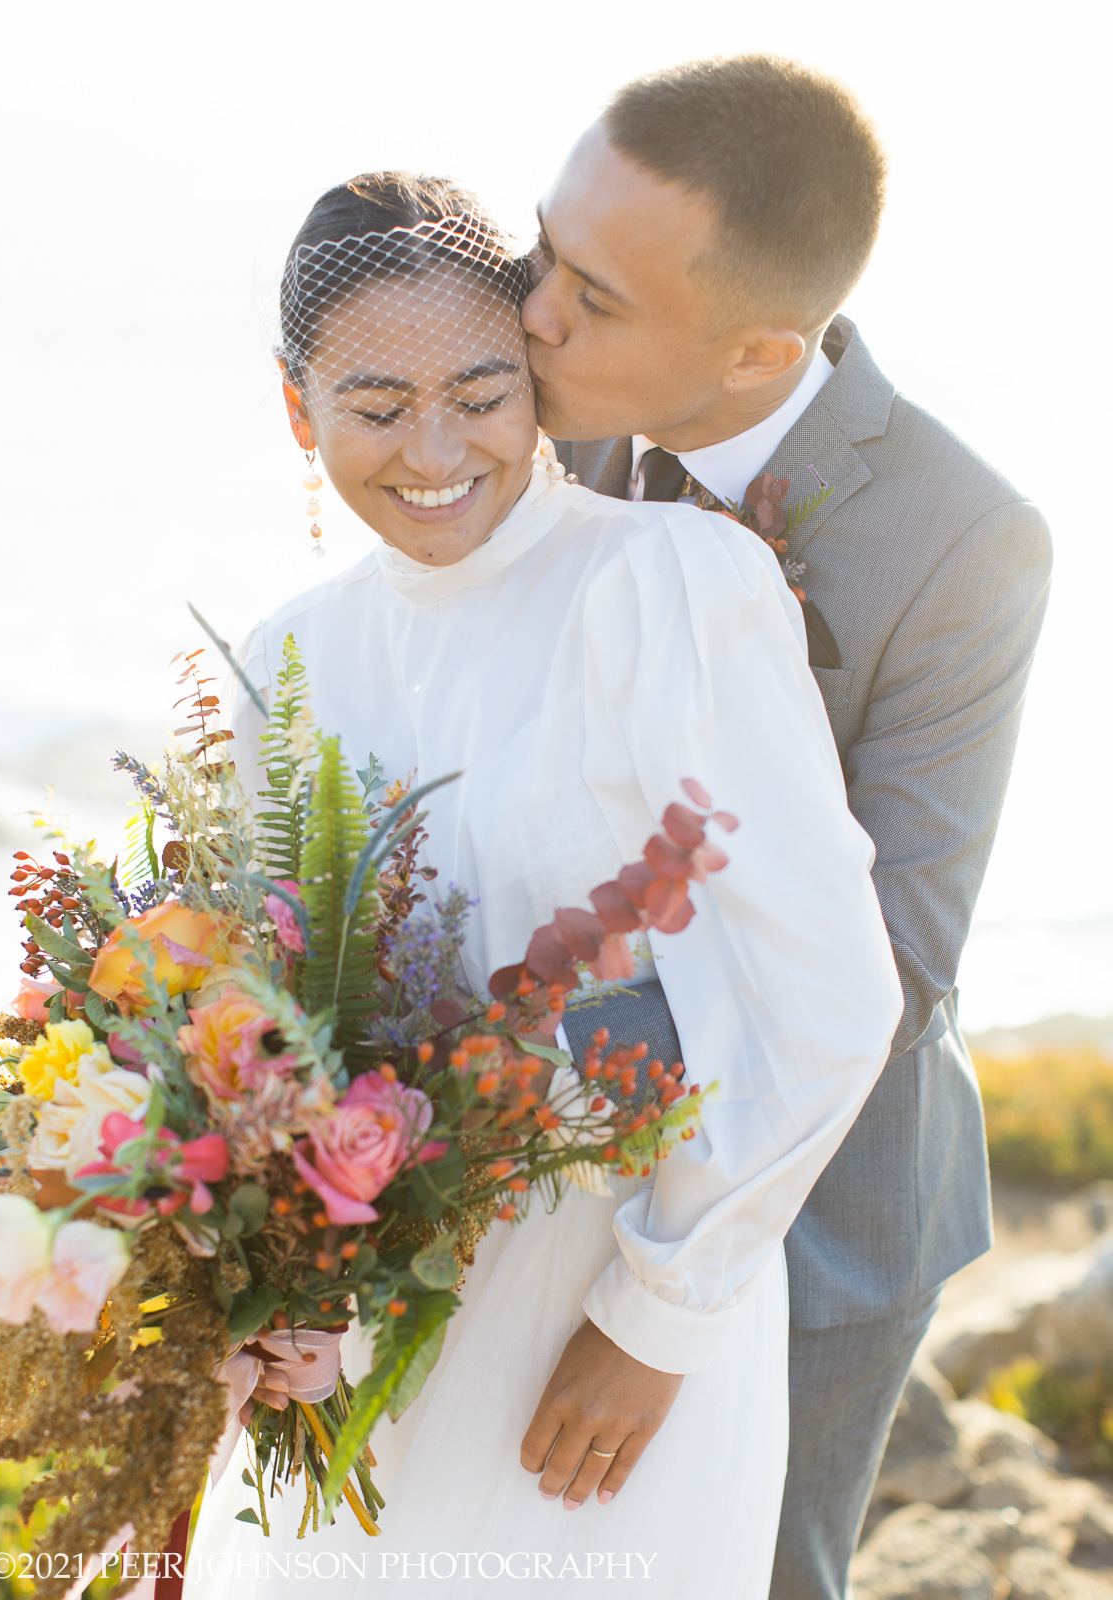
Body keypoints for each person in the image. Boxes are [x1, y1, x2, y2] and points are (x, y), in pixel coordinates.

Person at [185, 172, 902, 1598]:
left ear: (543, 379)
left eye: (484, 392)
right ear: (295, 408)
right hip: (366, 1339)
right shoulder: (287, 659)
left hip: (605, 1304)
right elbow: (253, 1015)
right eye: (377, 408)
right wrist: (273, 1288)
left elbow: (820, 989)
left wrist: (657, 1322)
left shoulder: (670, 585)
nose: (437, 450)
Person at [524, 55, 1053, 1600]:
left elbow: (899, 954)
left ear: (760, 349)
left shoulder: (964, 542)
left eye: (594, 296)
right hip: (529, 1172)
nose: (536, 312)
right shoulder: (531, 416)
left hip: (815, 1215)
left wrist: (535, 1078)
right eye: (539, 249)